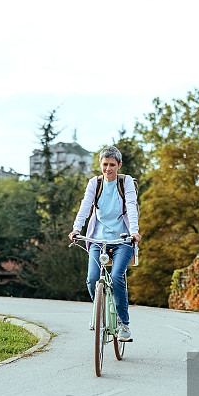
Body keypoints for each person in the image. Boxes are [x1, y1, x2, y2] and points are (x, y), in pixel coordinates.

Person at [69, 146, 141, 341]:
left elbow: (132, 207)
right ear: (100, 164)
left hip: (122, 239)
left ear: (119, 165)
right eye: (105, 164)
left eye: (112, 165)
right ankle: (99, 314)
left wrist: (134, 232)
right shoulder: (95, 183)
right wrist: (76, 229)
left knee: (117, 276)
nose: (108, 168)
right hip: (97, 239)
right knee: (92, 279)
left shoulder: (124, 182)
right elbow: (85, 206)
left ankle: (123, 323)